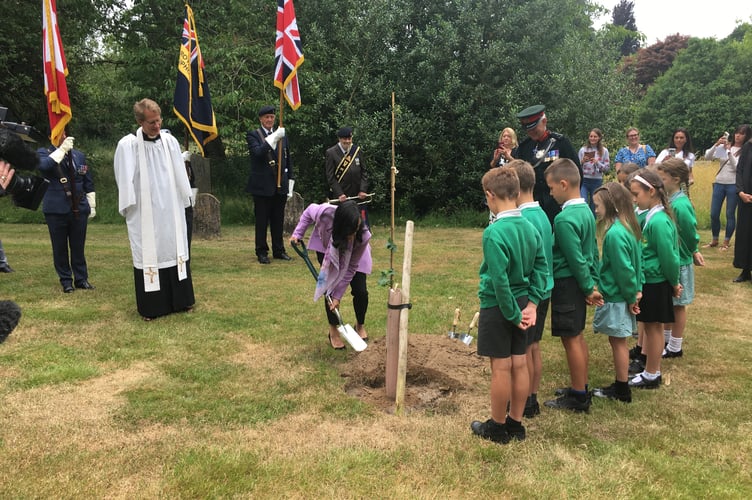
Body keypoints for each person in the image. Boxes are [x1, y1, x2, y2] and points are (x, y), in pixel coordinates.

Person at [470, 167, 546, 444]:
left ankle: (498, 426)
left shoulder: (493, 233)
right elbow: (542, 267)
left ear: (490, 196)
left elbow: (499, 281)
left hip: (500, 307)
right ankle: (516, 423)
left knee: (501, 367)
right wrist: (533, 304)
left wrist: (513, 315)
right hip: (525, 303)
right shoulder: (530, 226)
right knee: (519, 363)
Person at [114, 98, 195, 320]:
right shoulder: (128, 146)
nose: (156, 126)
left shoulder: (169, 141)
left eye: (158, 121)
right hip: (145, 211)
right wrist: (130, 208)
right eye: (151, 123)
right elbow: (124, 178)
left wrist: (186, 199)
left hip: (171, 209)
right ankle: (153, 306)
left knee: (175, 248)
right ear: (140, 122)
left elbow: (179, 174)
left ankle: (181, 300)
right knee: (150, 252)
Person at [542, 159, 601, 413]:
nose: (551, 193)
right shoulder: (586, 211)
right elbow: (592, 253)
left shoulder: (564, 219)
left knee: (571, 339)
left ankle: (578, 397)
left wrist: (588, 287)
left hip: (569, 283)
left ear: (564, 184)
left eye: (551, 188)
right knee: (577, 335)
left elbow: (575, 258)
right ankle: (581, 385)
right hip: (580, 283)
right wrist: (592, 281)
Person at [290, 200, 371, 349]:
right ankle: (333, 330)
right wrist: (298, 233)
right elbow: (309, 211)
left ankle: (359, 325)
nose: (353, 235)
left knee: (361, 291)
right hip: (328, 248)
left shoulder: (363, 235)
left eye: (356, 229)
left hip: (354, 255)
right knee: (329, 289)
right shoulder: (325, 214)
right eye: (350, 232)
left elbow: (352, 267)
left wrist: (338, 296)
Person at [627, 170, 681, 388]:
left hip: (656, 282)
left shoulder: (659, 222)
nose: (633, 198)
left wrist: (674, 282)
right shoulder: (651, 216)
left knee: (654, 327)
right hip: (650, 279)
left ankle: (652, 373)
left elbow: (669, 257)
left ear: (651, 191)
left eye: (636, 194)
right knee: (650, 326)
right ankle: (651, 370)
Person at [590, 183, 643, 404]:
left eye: (598, 206)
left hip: (618, 297)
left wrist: (631, 297)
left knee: (618, 341)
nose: (595, 210)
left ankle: (622, 388)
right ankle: (621, 385)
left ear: (610, 206)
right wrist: (636, 291)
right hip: (624, 295)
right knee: (617, 340)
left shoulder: (615, 235)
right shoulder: (627, 227)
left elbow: (625, 270)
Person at [509, 160, 552, 418]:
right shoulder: (543, 215)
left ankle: (522, 400)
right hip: (544, 290)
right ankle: (531, 398)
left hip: (528, 294)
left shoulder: (523, 219)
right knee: (533, 346)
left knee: (523, 350)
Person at [37, 128, 96, 293]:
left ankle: (81, 279)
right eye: (59, 133)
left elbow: (87, 180)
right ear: (50, 136)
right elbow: (44, 166)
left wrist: (91, 204)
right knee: (60, 247)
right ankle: (66, 280)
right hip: (56, 209)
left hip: (78, 207)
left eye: (64, 133)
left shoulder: (78, 155)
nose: (63, 136)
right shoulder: (43, 152)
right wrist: (62, 150)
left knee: (78, 246)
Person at [656, 158, 704, 358]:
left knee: (678, 305)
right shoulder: (670, 201)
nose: (660, 183)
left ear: (675, 179)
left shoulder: (681, 204)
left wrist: (692, 250)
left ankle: (675, 346)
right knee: (670, 303)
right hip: (674, 258)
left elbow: (689, 232)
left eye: (663, 178)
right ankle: (666, 338)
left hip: (681, 260)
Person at [512, 105, 582, 224]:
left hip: (556, 203)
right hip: (532, 204)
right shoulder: (524, 147)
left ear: (544, 121)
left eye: (534, 129)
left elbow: (577, 174)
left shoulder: (560, 143)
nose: (531, 133)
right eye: (528, 130)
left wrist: (569, 201)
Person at [246, 105, 294, 264]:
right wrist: (274, 137)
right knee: (261, 221)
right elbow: (259, 153)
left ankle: (279, 250)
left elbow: (288, 160)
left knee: (278, 220)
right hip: (262, 187)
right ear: (261, 119)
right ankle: (261, 251)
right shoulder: (254, 135)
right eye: (266, 117)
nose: (269, 120)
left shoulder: (282, 136)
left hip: (280, 185)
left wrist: (290, 184)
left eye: (272, 117)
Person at [704, 125, 752, 250]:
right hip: (719, 182)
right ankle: (714, 240)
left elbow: (737, 167)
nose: (738, 136)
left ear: (746, 136)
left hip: (733, 184)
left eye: (742, 134)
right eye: (737, 133)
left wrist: (729, 152)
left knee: (730, 213)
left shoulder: (745, 150)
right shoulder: (725, 146)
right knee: (714, 213)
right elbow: (708, 157)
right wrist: (717, 144)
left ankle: (726, 242)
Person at [734, 134, 752, 283]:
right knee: (745, 234)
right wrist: (740, 192)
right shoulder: (748, 146)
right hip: (746, 198)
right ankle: (745, 270)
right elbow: (739, 170)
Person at [578, 128, 610, 212]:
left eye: (595, 136)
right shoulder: (583, 150)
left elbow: (607, 168)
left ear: (599, 138)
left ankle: (593, 223)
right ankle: (584, 220)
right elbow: (576, 166)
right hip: (584, 180)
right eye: (591, 136)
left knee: (595, 204)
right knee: (583, 201)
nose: (593, 138)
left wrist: (597, 163)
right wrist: (582, 161)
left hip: (596, 180)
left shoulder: (604, 151)